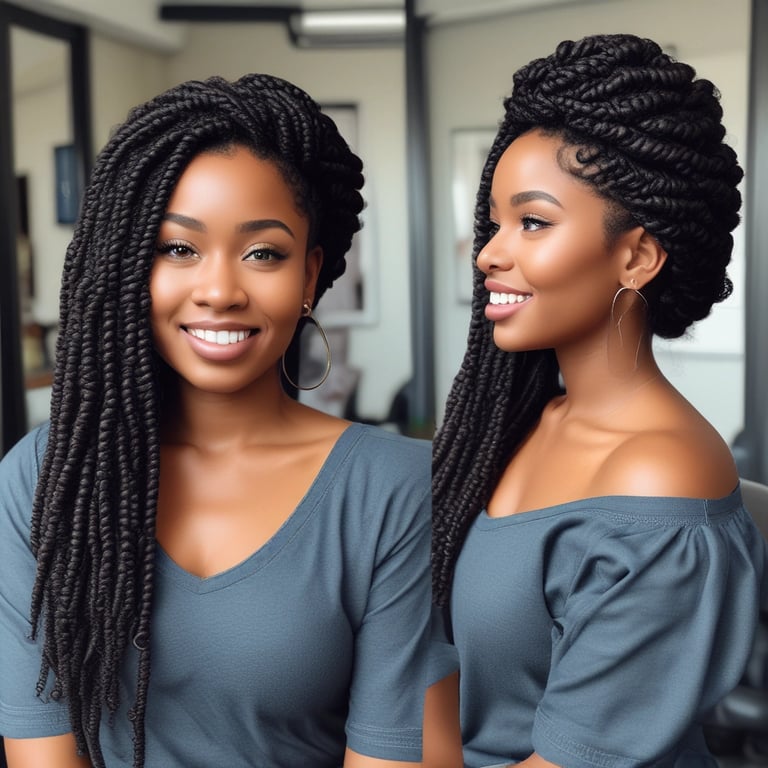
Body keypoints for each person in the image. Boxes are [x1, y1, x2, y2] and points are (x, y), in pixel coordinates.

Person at [0, 73, 434, 768]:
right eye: (178, 249)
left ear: (310, 274)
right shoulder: (44, 478)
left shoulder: (398, 492)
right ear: (125, 267)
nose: (220, 291)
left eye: (264, 252)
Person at [431, 33, 768, 768]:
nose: (488, 251)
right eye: (494, 220)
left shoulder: (661, 478)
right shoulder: (527, 421)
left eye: (533, 221)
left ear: (638, 257)